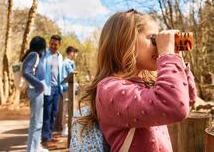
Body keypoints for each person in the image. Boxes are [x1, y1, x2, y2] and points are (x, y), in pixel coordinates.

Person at [80, 9, 196, 151]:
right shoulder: (110, 89)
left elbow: (187, 100)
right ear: (125, 42)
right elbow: (176, 107)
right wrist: (168, 55)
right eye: (154, 39)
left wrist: (176, 58)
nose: (159, 46)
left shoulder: (148, 85)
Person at [22, 36, 48, 152]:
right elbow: (26, 72)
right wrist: (40, 85)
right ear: (41, 46)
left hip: (37, 91)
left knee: (38, 121)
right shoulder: (33, 55)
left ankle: (36, 146)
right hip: (36, 90)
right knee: (36, 122)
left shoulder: (37, 55)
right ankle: (32, 149)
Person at [41, 35, 64, 146]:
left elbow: (61, 73)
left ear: (59, 45)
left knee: (54, 113)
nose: (53, 46)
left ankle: (49, 135)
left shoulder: (60, 56)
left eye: (56, 44)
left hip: (57, 89)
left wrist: (62, 87)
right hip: (47, 88)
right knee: (47, 113)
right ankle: (45, 138)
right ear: (49, 43)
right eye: (52, 44)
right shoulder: (45, 54)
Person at [61, 46, 79, 136]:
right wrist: (64, 88)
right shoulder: (65, 63)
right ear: (71, 53)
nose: (76, 55)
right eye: (75, 53)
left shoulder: (72, 63)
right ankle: (65, 128)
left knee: (73, 109)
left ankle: (72, 127)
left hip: (73, 89)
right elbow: (64, 77)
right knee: (66, 109)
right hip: (67, 89)